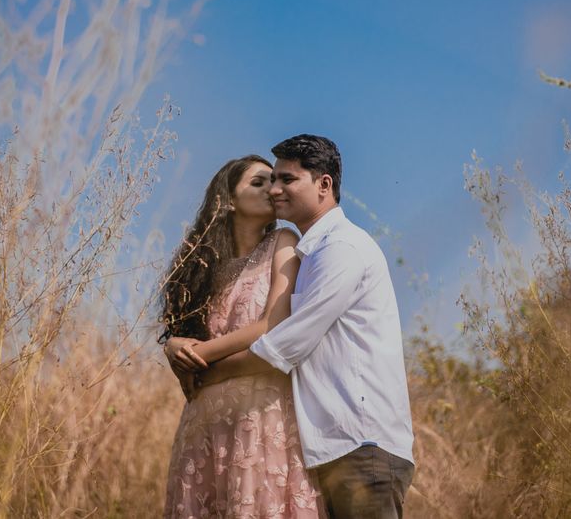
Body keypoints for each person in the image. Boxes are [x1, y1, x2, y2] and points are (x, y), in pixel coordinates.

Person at [198, 135, 416, 519]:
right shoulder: (311, 253)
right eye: (272, 180)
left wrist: (207, 372)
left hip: (362, 446)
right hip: (334, 450)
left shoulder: (342, 249)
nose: (276, 190)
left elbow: (288, 344)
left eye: (287, 179)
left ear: (324, 185)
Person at [159, 155, 323, 518]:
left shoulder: (283, 240)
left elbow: (270, 325)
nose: (273, 189)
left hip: (260, 415)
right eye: (259, 182)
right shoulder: (201, 265)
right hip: (204, 418)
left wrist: (196, 354)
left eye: (277, 182)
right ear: (229, 200)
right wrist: (172, 346)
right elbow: (180, 335)